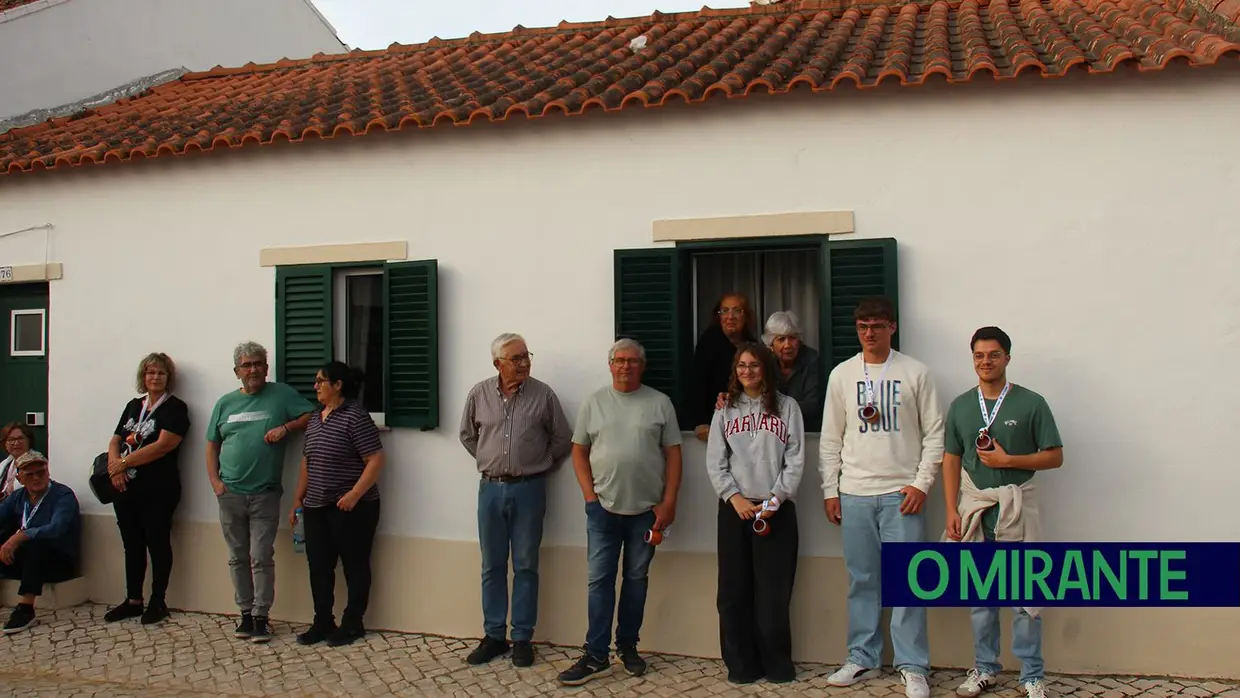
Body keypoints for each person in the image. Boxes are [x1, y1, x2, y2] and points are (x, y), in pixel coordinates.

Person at [818, 296, 945, 698]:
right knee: (862, 580)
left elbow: (935, 433)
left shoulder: (916, 372)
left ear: (892, 327)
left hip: (901, 494)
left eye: (877, 324)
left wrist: (921, 484)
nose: (869, 332)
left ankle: (912, 666)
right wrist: (830, 489)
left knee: (907, 582)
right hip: (854, 492)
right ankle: (862, 656)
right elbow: (830, 437)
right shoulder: (842, 375)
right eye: (862, 326)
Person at [943, 327, 1063, 698]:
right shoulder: (962, 406)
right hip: (977, 510)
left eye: (993, 354)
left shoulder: (1031, 403)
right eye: (979, 355)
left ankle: (1031, 674)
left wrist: (1009, 459)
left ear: (1007, 358)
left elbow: (1055, 456)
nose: (985, 361)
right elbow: (951, 458)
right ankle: (984, 667)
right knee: (981, 597)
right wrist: (951, 508)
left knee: (1025, 597)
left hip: (1018, 508)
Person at [558, 338, 683, 686]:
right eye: (619, 360)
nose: (625, 366)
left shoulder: (660, 403)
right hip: (603, 510)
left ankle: (628, 646)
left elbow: (674, 454)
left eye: (632, 361)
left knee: (636, 580)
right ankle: (595, 653)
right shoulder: (594, 403)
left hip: (647, 510)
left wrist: (669, 501)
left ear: (642, 366)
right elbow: (579, 450)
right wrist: (589, 497)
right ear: (610, 365)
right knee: (599, 581)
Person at [459, 333, 572, 668]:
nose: (524, 363)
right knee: (492, 565)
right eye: (516, 358)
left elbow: (562, 437)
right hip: (490, 490)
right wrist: (491, 461)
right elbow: (467, 435)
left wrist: (539, 463)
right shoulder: (479, 394)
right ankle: (494, 635)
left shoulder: (543, 395)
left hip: (529, 489)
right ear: (498, 364)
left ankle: (522, 637)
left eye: (526, 356)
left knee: (525, 565)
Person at [705, 342, 805, 685]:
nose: (747, 371)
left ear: (766, 368)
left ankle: (777, 666)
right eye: (742, 365)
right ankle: (741, 666)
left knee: (773, 595)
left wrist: (774, 500)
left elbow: (795, 458)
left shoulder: (788, 407)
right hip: (735, 509)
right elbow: (715, 461)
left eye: (754, 365)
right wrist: (734, 498)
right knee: (733, 594)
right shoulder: (725, 409)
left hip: (775, 510)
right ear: (735, 370)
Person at [206, 341, 315, 643]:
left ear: (266, 368)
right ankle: (244, 614)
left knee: (260, 556)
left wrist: (286, 428)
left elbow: (313, 416)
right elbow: (212, 443)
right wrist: (215, 481)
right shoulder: (225, 403)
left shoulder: (280, 395)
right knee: (237, 557)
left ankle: (261, 616)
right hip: (230, 493)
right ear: (236, 371)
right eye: (247, 365)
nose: (253, 369)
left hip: (265, 492)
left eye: (258, 364)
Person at [291, 361, 385, 648]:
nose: (316, 386)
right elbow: (307, 460)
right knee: (318, 566)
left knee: (355, 566)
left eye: (321, 381)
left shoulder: (355, 417)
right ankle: (322, 621)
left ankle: (353, 623)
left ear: (338, 385)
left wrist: (354, 495)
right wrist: (298, 498)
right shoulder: (316, 418)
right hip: (316, 507)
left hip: (352, 508)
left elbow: (376, 459)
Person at [102, 352, 191, 626]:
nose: (155, 377)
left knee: (157, 543)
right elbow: (116, 439)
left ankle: (157, 601)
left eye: (161, 373)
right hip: (125, 486)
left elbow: (164, 445)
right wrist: (115, 466)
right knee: (132, 544)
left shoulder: (176, 408)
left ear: (169, 378)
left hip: (158, 489)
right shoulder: (133, 405)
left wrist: (124, 463)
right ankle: (133, 600)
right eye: (151, 372)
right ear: (143, 376)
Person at [0, 451, 81, 634]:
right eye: (30, 474)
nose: (37, 478)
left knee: (36, 544)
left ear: (48, 472)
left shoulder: (62, 495)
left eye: (41, 472)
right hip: (25, 561)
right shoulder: (18, 496)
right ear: (20, 478)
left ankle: (26, 609)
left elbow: (56, 528)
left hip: (56, 561)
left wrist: (21, 536)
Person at [690, 293, 758, 441]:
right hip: (713, 424)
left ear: (746, 317)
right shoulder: (709, 341)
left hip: (745, 423)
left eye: (736, 311)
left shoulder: (752, 345)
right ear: (719, 316)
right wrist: (700, 421)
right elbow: (697, 382)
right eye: (725, 311)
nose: (730, 316)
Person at [762, 311, 822, 427]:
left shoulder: (811, 360)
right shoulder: (764, 361)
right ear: (770, 345)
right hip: (770, 429)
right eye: (781, 339)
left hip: (806, 428)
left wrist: (775, 407)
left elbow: (813, 406)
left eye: (792, 338)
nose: (787, 345)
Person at [0, 424, 36, 498]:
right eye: (11, 440)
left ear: (29, 440)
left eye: (21, 438)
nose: (16, 443)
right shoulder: (5, 464)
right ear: (5, 443)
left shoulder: (37, 463)